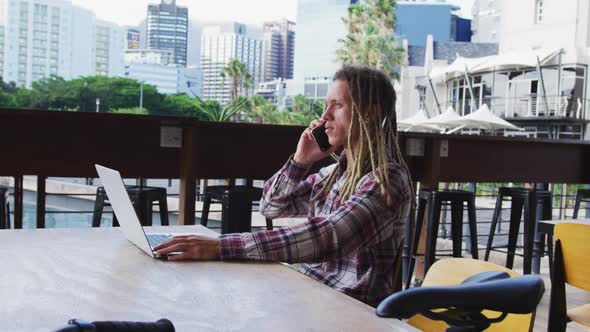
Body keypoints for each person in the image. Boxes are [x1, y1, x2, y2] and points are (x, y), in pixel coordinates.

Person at [154, 65, 414, 307]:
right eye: (326, 105)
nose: (325, 116)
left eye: (337, 105)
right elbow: (270, 206)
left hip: (349, 312)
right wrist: (301, 160)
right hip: (310, 297)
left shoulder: (386, 180)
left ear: (369, 113)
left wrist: (221, 246)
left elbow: (329, 236)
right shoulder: (334, 174)